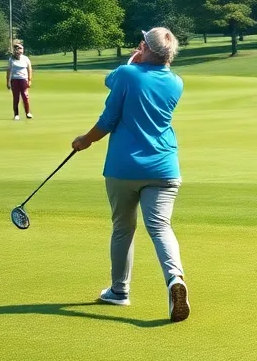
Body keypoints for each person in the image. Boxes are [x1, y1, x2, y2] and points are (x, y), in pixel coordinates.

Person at [69, 27, 190, 323]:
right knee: (160, 227)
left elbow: (109, 102)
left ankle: (119, 291)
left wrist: (86, 140)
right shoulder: (176, 82)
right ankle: (175, 279)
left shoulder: (127, 73)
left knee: (123, 228)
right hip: (164, 167)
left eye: (142, 43)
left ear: (146, 48)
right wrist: (143, 58)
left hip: (124, 167)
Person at [6, 41, 33, 120]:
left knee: (25, 96)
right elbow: (9, 70)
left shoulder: (25, 58)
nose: (20, 51)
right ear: (15, 50)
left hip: (23, 79)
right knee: (16, 97)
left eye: (21, 49)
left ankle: (28, 113)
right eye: (19, 49)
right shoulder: (11, 59)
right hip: (14, 80)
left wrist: (29, 80)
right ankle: (16, 114)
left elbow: (29, 69)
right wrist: (8, 82)